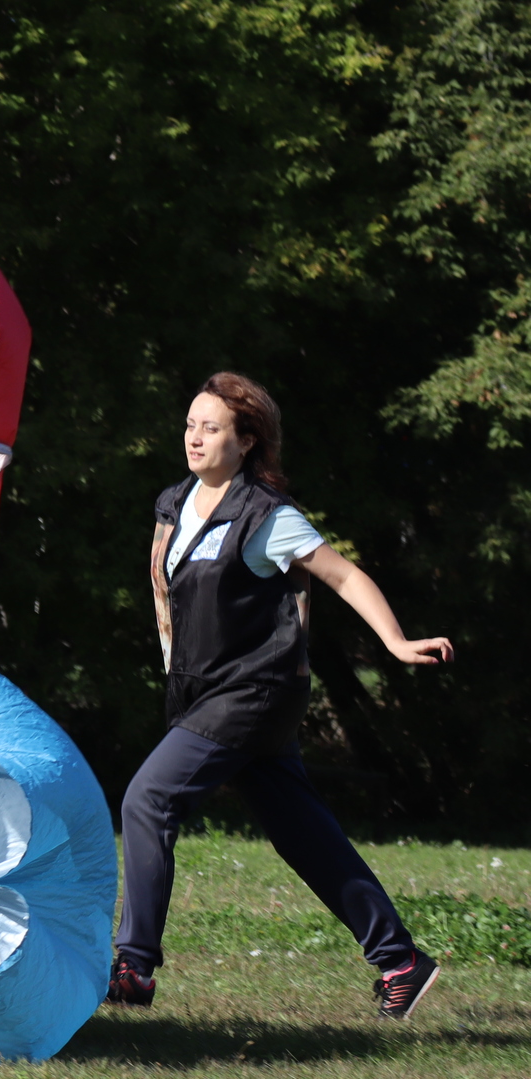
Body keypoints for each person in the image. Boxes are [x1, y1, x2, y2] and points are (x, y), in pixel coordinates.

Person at [109, 372, 454, 1018]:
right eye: (190, 424)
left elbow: (344, 574)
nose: (194, 436)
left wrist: (397, 642)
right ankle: (400, 960)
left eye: (210, 428)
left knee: (148, 799)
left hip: (252, 691)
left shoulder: (267, 517)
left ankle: (135, 967)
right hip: (202, 690)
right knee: (303, 833)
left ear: (246, 441)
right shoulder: (173, 503)